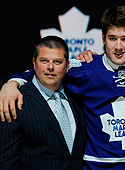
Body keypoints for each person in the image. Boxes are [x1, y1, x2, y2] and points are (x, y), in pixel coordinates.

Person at [0, 6, 125, 169]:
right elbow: (47, 70)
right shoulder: (84, 68)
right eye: (112, 38)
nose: (119, 47)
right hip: (97, 165)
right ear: (103, 38)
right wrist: (12, 83)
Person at [0, 36, 87, 169]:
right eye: (44, 61)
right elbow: (7, 161)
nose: (50, 67)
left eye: (57, 62)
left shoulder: (78, 97)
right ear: (34, 63)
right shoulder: (15, 101)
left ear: (67, 65)